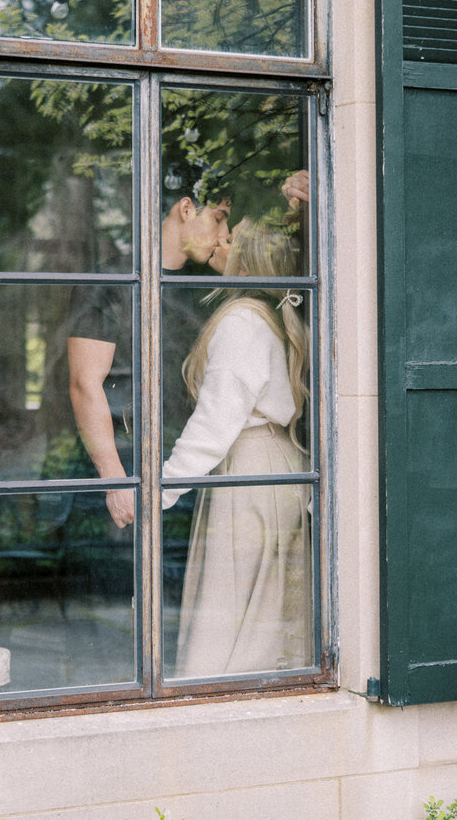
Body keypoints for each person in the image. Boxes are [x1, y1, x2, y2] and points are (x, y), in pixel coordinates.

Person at [162, 219, 312, 678]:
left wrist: (158, 490)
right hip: (277, 462)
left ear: (246, 268)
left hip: (249, 467)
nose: (219, 244)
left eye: (230, 242)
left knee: (229, 595)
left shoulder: (243, 321)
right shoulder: (272, 317)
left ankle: (213, 690)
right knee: (264, 601)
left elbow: (214, 421)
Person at [68, 163, 231, 529]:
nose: (224, 235)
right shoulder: (108, 281)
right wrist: (115, 480)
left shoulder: (210, 288)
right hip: (125, 462)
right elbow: (84, 382)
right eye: (219, 219)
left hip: (195, 465)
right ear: (186, 208)